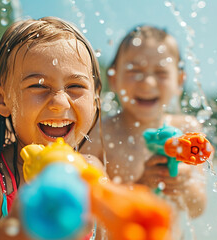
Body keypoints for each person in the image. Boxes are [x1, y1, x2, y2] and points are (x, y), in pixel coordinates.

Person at [0, 17, 103, 240]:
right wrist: (17, 226)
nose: (60, 103)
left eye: (75, 86)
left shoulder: (92, 171)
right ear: (1, 99)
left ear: (95, 98)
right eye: (38, 86)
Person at [82, 25, 207, 220]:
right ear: (113, 79)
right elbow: (90, 208)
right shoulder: (100, 134)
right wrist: (141, 185)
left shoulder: (188, 131)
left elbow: (198, 209)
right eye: (134, 71)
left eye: (161, 73)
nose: (148, 83)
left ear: (180, 81)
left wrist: (186, 186)